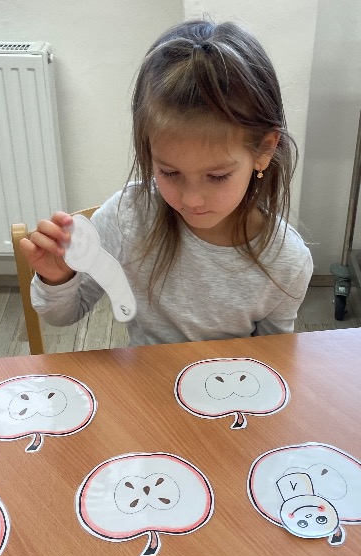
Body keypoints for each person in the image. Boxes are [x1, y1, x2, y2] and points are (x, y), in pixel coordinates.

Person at [19, 19, 313, 346]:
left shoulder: (287, 262)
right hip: (145, 375)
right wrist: (58, 278)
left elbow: (272, 354)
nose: (192, 199)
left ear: (264, 150)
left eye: (217, 176)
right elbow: (64, 315)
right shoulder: (127, 218)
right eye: (170, 173)